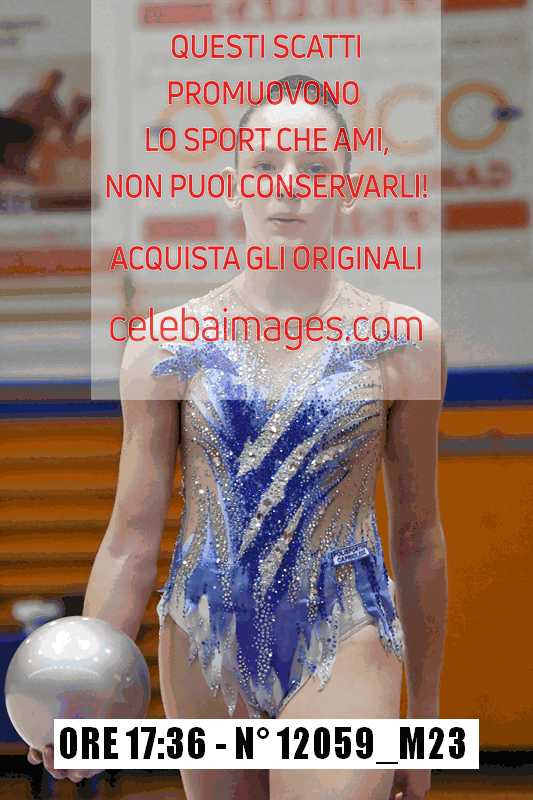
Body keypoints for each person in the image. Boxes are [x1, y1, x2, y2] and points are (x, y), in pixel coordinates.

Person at [28, 74, 448, 799]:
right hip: (205, 639)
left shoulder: (402, 342)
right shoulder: (166, 345)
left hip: (345, 630)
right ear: (232, 184)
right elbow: (129, 540)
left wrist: (428, 716)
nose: (288, 186)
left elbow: (418, 535)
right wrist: (82, 694)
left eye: (314, 166)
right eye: (265, 165)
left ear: (348, 188)